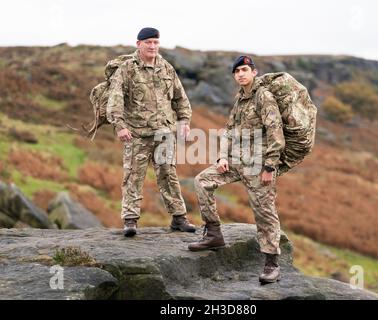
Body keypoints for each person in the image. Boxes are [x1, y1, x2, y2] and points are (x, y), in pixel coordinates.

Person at [188, 55, 285, 284]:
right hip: (235, 162)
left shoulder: (264, 97)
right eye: (237, 71)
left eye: (244, 69)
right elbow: (229, 131)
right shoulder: (240, 99)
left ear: (254, 72)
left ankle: (271, 264)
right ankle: (213, 234)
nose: (241, 74)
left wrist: (270, 166)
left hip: (259, 165)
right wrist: (222, 156)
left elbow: (275, 133)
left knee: (264, 212)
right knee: (202, 181)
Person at [107, 27, 196, 237]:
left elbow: (180, 98)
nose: (153, 46)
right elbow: (115, 99)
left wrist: (184, 120)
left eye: (156, 42)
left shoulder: (166, 68)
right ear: (139, 44)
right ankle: (130, 221)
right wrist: (120, 126)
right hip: (136, 134)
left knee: (169, 175)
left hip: (164, 133)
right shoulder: (127, 69)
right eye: (148, 42)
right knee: (133, 177)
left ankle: (179, 218)